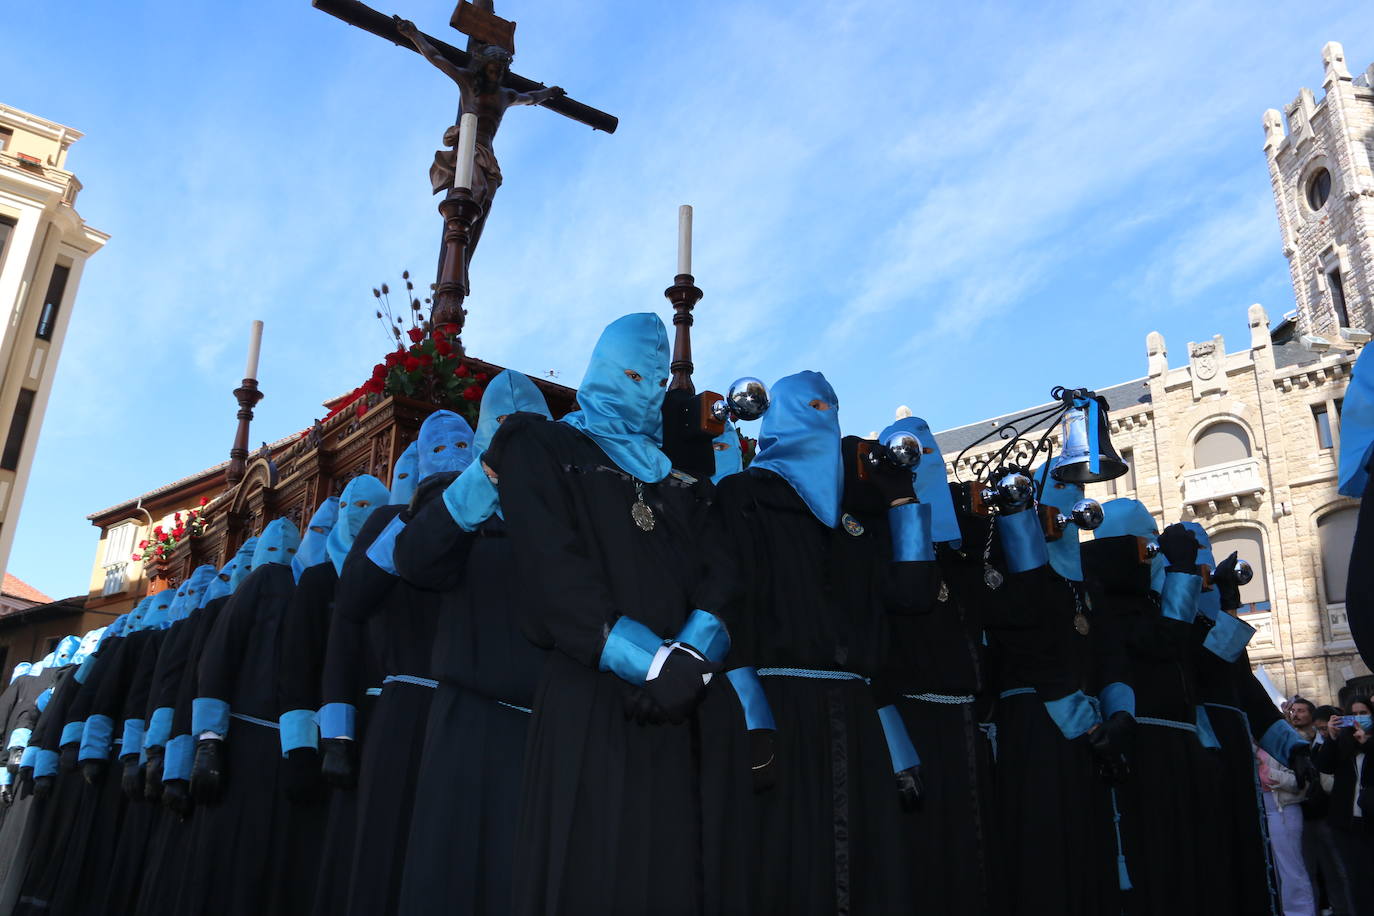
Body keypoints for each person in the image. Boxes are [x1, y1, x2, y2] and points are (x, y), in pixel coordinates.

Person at [485, 313, 718, 916]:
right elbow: (552, 574)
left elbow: (721, 578)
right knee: (586, 872)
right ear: (600, 366)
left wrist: (690, 658)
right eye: (631, 373)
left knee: (663, 874)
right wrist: (651, 660)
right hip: (586, 700)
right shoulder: (544, 446)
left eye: (656, 380)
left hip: (672, 708)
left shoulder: (679, 482)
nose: (642, 390)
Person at [394, 371, 553, 915]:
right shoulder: (454, 501)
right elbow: (415, 562)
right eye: (501, 425)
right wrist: (484, 478)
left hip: (550, 728)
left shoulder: (568, 504)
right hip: (470, 724)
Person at [330, 410, 471, 916]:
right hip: (404, 707)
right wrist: (415, 519)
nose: (451, 454)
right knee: (389, 844)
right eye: (436, 448)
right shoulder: (389, 521)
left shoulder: (490, 517)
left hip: (468, 710)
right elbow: (353, 600)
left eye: (462, 443)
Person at [179, 519, 301, 916]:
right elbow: (217, 660)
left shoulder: (308, 587)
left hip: (277, 747)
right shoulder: (260, 584)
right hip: (243, 743)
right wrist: (209, 742)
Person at [1315, 696, 1374, 913]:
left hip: (1371, 818)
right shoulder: (1343, 743)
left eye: (1364, 713)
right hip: (1347, 823)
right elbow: (1324, 766)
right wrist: (1331, 737)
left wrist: (1367, 743)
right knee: (1356, 878)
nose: (1360, 718)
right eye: (1354, 714)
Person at [1262, 743, 1317, 916]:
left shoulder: (1280, 746)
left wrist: (1267, 772)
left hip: (1283, 810)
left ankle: (1300, 912)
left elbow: (1299, 782)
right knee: (1274, 870)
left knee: (1291, 868)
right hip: (1263, 812)